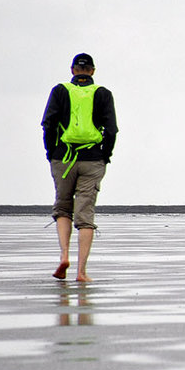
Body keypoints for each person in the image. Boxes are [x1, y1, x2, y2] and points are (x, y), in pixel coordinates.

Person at [41, 53, 118, 282]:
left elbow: (48, 125)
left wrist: (51, 153)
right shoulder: (103, 93)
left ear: (73, 70)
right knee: (85, 217)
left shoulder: (60, 91)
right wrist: (105, 156)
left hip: (63, 159)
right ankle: (81, 272)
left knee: (63, 209)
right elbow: (111, 130)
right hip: (93, 159)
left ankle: (64, 256)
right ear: (92, 71)